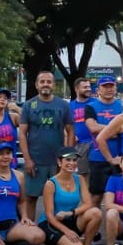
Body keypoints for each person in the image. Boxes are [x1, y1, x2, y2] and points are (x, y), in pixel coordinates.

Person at [18, 72, 74, 217]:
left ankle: (54, 226)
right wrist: (27, 159)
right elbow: (22, 133)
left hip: (57, 162)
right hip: (35, 161)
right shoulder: (28, 105)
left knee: (58, 198)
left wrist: (68, 158)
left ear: (54, 85)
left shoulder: (63, 105)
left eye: (49, 82)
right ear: (37, 85)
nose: (45, 84)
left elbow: (70, 131)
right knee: (31, 198)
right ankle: (30, 227)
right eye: (42, 81)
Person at [38, 148, 100, 245]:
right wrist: (67, 231)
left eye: (74, 160)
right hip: (51, 224)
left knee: (96, 212)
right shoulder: (50, 184)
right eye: (68, 160)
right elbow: (49, 216)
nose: (72, 163)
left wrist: (70, 213)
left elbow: (88, 204)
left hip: (69, 218)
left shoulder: (79, 179)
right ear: (59, 162)